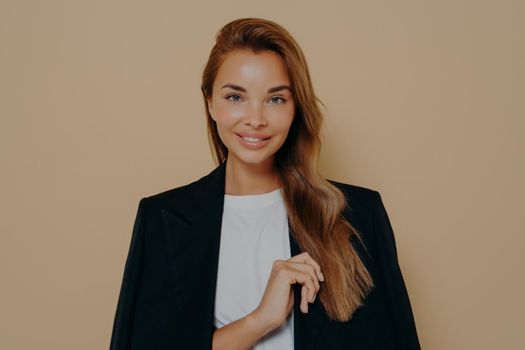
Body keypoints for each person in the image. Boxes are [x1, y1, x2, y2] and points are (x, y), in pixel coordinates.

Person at [109, 17, 421, 350]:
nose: (256, 119)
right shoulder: (163, 219)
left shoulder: (357, 215)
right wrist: (262, 320)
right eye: (235, 97)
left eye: (275, 99)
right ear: (209, 102)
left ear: (296, 107)